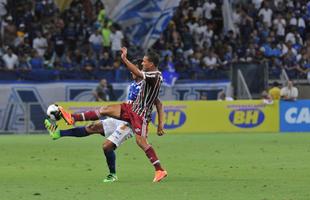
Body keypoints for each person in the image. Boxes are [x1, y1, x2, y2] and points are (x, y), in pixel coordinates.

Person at [56, 48, 168, 182]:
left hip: (140, 115)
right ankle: (72, 117)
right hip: (131, 109)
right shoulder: (145, 79)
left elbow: (156, 100)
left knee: (141, 142)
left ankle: (160, 169)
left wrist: (124, 59)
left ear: (151, 64)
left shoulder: (154, 76)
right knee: (105, 109)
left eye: (144, 62)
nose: (143, 64)